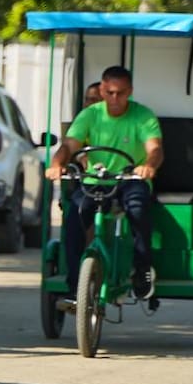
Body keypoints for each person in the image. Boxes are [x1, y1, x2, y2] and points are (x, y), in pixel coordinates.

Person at [45, 65, 163, 302]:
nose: (115, 98)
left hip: (130, 179)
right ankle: (75, 284)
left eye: (120, 93)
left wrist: (149, 166)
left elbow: (155, 149)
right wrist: (57, 163)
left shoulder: (143, 115)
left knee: (138, 209)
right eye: (110, 92)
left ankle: (142, 270)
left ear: (129, 91)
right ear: (101, 90)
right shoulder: (91, 114)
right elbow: (69, 146)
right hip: (96, 178)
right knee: (75, 214)